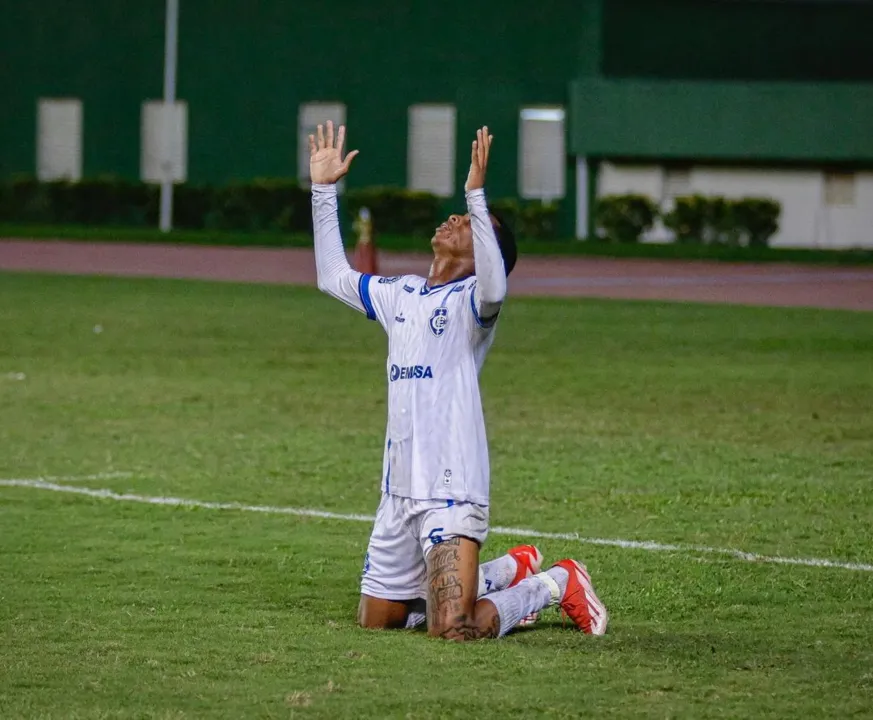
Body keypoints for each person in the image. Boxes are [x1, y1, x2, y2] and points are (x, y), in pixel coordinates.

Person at [310, 120, 608, 640]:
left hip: (452, 489)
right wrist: (322, 190)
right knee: (378, 622)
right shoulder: (400, 294)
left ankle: (555, 583)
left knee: (455, 627)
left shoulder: (473, 306)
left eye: (471, 224)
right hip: (398, 491)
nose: (455, 217)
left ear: (483, 252)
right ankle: (506, 570)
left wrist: (477, 194)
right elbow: (331, 276)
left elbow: (495, 284)